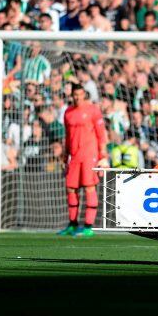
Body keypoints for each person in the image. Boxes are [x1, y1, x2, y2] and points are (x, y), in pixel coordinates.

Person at [59, 84, 108, 238]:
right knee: (71, 189)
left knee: (89, 187)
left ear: (84, 94)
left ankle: (88, 226)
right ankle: (73, 224)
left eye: (80, 94)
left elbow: (101, 134)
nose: (78, 97)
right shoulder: (68, 112)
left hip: (89, 155)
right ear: (72, 95)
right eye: (75, 95)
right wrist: (65, 154)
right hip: (74, 156)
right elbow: (68, 136)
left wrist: (103, 156)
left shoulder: (93, 109)